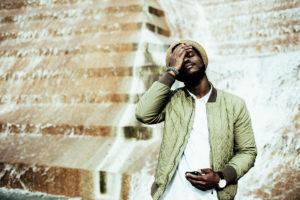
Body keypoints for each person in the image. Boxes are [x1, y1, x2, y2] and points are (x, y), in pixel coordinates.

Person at [135, 40, 257, 200]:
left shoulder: (234, 104)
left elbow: (247, 151)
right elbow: (143, 114)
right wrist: (171, 71)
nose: (185, 60)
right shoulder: (172, 101)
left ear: (203, 59)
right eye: (178, 59)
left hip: (214, 196)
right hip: (171, 195)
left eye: (190, 55)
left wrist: (221, 176)